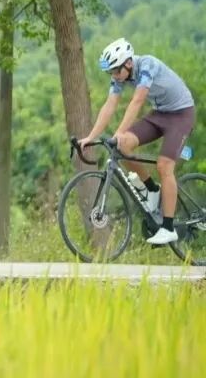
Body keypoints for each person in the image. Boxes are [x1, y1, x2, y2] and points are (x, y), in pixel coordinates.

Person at [79, 37, 196, 245]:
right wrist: (91, 136)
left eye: (116, 71)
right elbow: (110, 105)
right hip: (160, 114)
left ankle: (168, 228)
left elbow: (137, 101)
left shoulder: (147, 65)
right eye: (111, 72)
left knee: (164, 166)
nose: (114, 76)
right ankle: (152, 189)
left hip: (181, 115)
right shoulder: (120, 75)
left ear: (128, 63)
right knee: (123, 145)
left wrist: (119, 131)